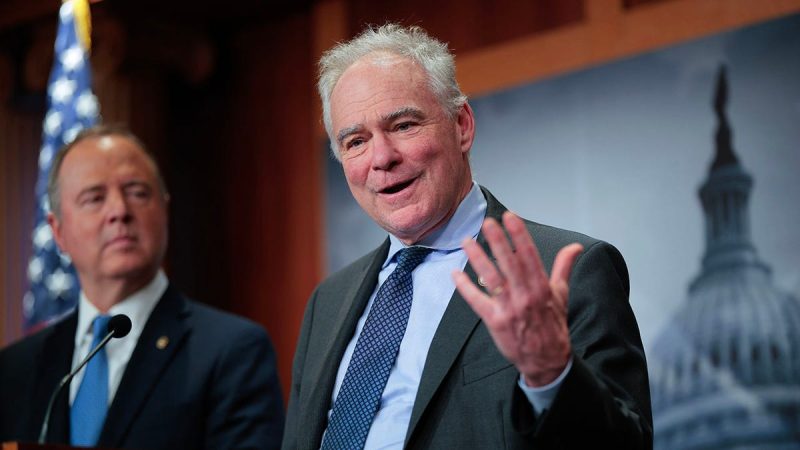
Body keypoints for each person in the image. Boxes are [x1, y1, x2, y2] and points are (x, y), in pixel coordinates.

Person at [282, 24, 652, 449]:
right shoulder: (327, 303)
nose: (381, 158)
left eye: (403, 125)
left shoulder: (566, 271)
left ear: (461, 125)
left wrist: (552, 374)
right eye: (355, 142)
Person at [0, 125, 285, 449]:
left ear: (164, 209)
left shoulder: (233, 351)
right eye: (94, 198)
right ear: (58, 231)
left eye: (137, 192)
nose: (119, 211)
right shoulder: (15, 369)